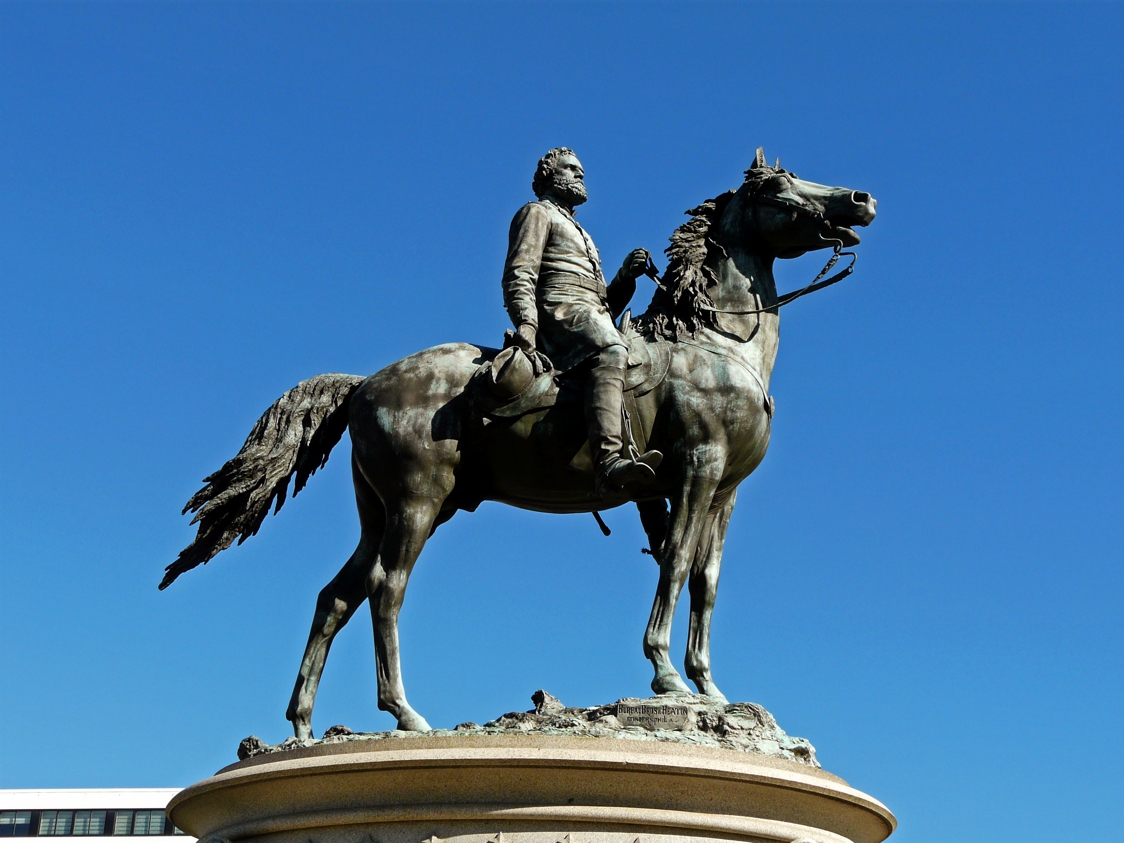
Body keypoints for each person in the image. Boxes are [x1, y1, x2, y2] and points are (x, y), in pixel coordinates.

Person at [501, 147, 663, 492]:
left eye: (581, 171)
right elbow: (520, 273)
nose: (580, 175)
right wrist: (527, 324)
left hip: (588, 312)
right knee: (613, 351)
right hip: (557, 310)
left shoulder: (581, 231)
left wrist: (624, 277)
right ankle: (608, 462)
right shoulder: (536, 213)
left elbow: (604, 305)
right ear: (550, 175)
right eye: (571, 169)